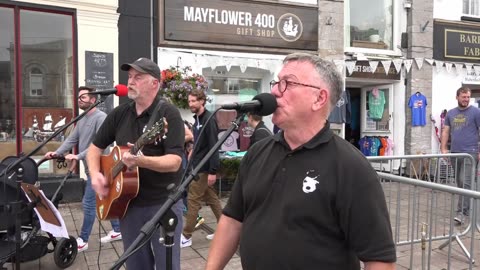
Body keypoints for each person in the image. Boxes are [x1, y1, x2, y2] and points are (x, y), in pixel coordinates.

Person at [206, 53, 396, 269]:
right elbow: (232, 220)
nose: (275, 90)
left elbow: (379, 259)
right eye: (277, 82)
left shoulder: (351, 167)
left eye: (288, 83)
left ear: (319, 99)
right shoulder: (258, 152)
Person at [87, 57, 185, 270]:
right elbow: (94, 148)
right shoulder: (120, 113)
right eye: (130, 77)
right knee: (136, 265)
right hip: (128, 204)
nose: (130, 81)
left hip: (162, 204)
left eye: (138, 77)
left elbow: (175, 162)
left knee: (168, 265)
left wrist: (141, 161)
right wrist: (95, 175)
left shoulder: (169, 115)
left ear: (155, 84)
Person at [44, 86, 121, 252]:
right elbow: (72, 139)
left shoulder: (101, 118)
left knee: (88, 203)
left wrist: (77, 157)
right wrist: (57, 153)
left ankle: (83, 240)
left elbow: (101, 144)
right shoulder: (81, 119)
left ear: (94, 100)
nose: (80, 99)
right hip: (89, 168)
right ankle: (118, 230)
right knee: (105, 199)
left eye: (84, 97)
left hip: (100, 167)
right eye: (79, 97)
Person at [180, 89, 223, 248]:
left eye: (193, 101)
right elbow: (200, 141)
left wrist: (213, 171)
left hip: (203, 168)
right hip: (197, 164)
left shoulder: (208, 120)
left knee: (192, 200)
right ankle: (225, 230)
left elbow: (214, 146)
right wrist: (193, 151)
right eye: (189, 101)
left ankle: (186, 235)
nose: (190, 104)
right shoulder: (197, 118)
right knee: (212, 200)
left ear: (202, 101)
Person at [440, 86, 480, 225]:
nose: (466, 99)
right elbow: (446, 131)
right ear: (457, 97)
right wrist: (443, 148)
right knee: (459, 182)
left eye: (468, 97)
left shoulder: (476, 112)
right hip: (455, 152)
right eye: (463, 97)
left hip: (471, 152)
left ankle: (462, 213)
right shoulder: (451, 113)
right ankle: (466, 208)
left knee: (465, 181)